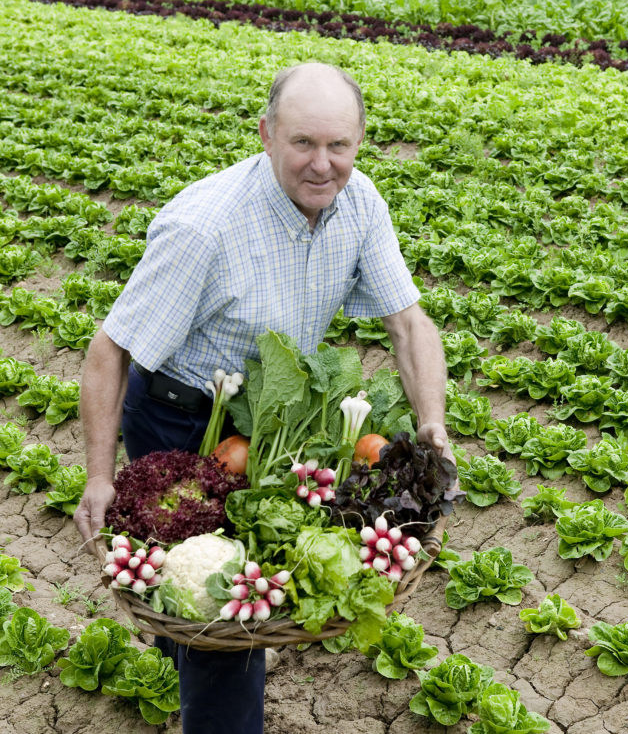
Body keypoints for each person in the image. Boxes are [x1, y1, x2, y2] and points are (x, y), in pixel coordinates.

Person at [73, 62, 452, 734]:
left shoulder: (360, 201)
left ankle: (184, 640)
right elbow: (110, 350)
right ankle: (198, 664)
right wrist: (100, 478)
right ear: (267, 135)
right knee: (228, 617)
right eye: (303, 143)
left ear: (360, 143)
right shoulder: (205, 228)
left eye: (339, 145)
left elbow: (409, 324)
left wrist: (431, 428)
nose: (322, 164)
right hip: (179, 413)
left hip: (267, 424)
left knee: (214, 601)